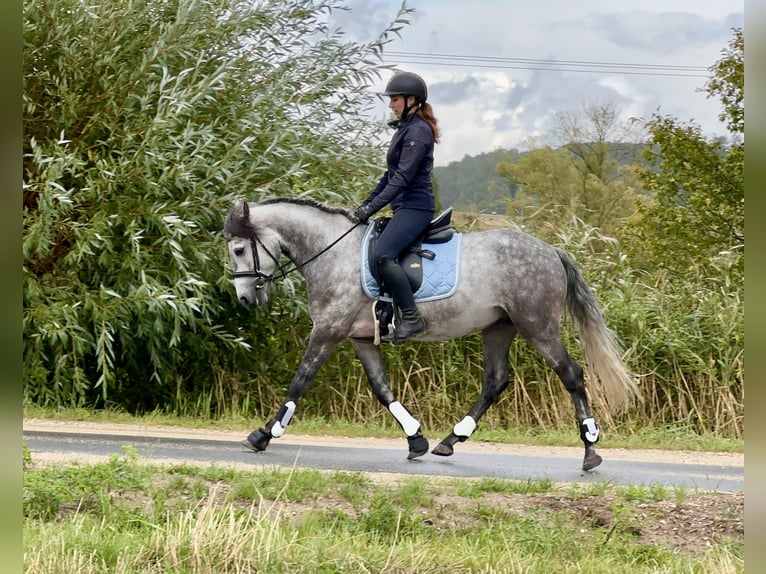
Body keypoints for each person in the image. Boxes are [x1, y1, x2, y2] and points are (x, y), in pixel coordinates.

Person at [354, 71, 440, 344]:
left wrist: (371, 210)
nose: (390, 105)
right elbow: (389, 176)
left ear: (412, 100)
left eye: (395, 99)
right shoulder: (405, 129)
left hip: (416, 208)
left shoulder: (419, 131)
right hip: (402, 207)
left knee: (382, 255)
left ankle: (412, 318)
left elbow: (402, 179)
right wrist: (365, 205)